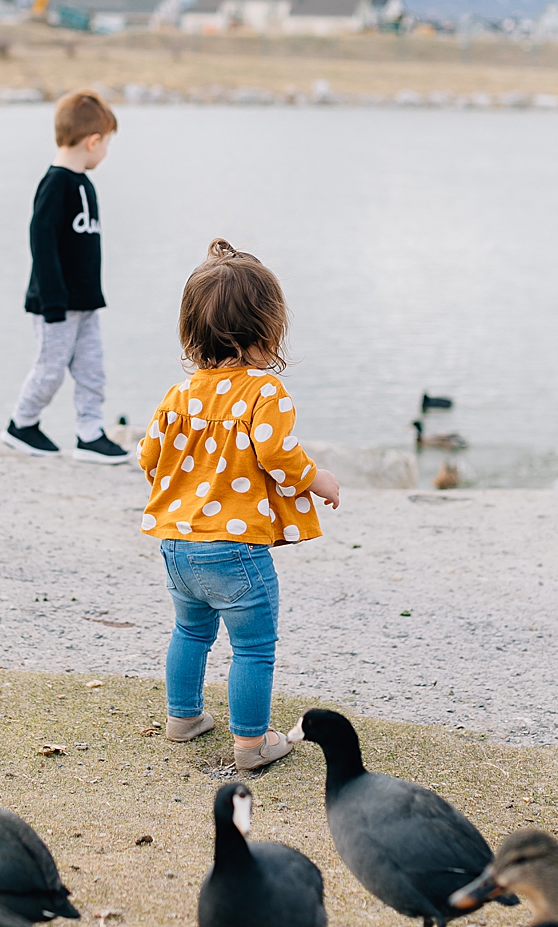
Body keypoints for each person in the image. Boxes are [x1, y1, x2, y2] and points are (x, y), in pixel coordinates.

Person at [137, 238, 341, 770]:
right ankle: (251, 744)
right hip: (235, 549)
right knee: (253, 647)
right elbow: (277, 453)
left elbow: (148, 457)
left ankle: (183, 717)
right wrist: (317, 478)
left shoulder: (179, 395)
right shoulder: (263, 392)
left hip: (178, 544)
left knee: (189, 631)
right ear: (267, 330)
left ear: (192, 330)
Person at [1, 89, 130, 464]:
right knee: (50, 369)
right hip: (55, 304)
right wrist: (54, 299)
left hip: (86, 301)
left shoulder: (84, 184)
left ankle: (90, 433)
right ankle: (21, 425)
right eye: (107, 143)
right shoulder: (55, 184)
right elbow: (41, 241)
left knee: (93, 369)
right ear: (93, 141)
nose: (106, 151)